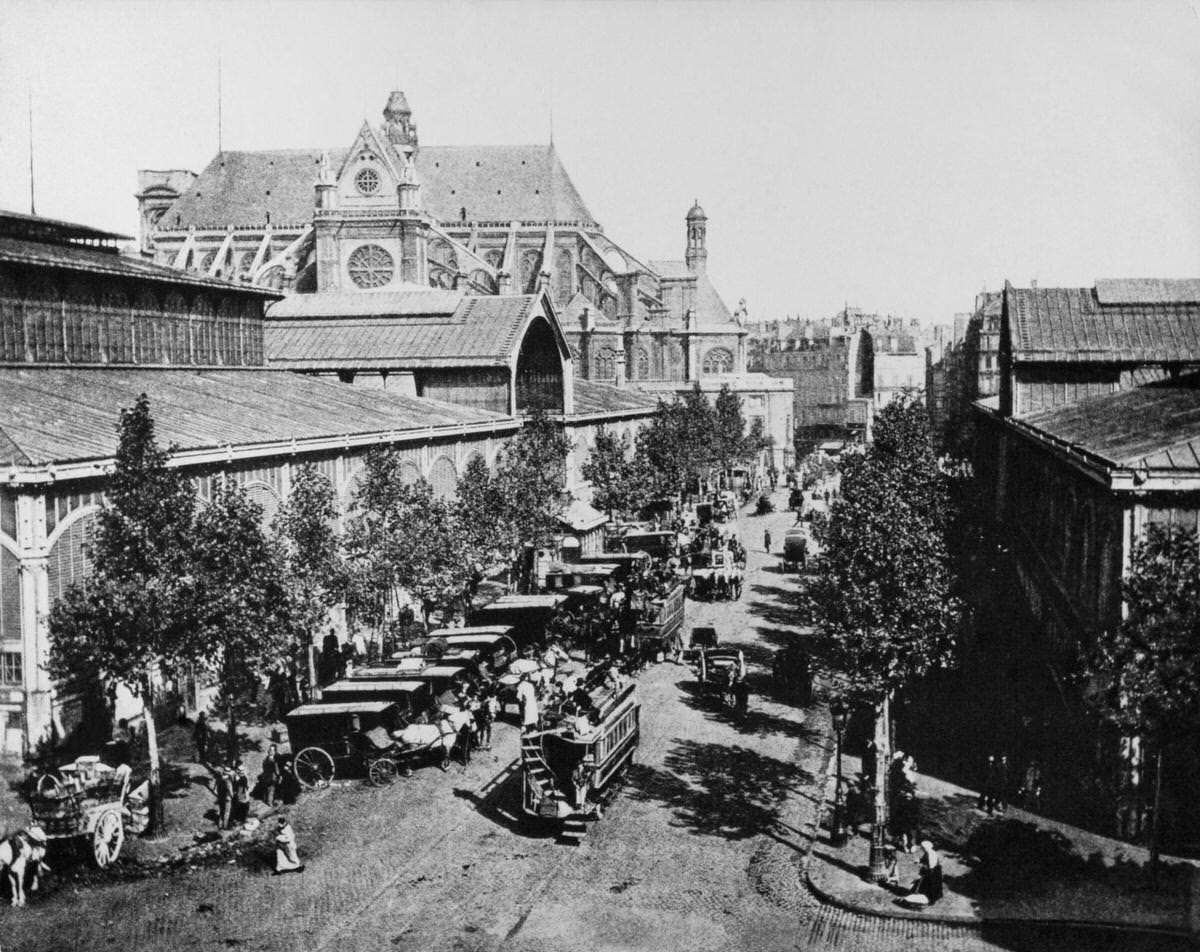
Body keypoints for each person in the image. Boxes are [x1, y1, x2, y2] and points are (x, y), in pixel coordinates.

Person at [911, 840, 943, 905]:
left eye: (923, 847)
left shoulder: (932, 854)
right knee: (925, 885)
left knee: (932, 886)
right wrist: (919, 860)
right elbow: (924, 859)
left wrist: (923, 867)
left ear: (926, 847)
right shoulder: (927, 852)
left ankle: (932, 899)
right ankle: (924, 895)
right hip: (929, 871)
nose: (922, 849)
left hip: (933, 872)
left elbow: (931, 866)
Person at [231, 760, 250, 827]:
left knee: (244, 806)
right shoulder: (236, 776)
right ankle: (238, 820)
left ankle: (242, 819)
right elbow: (237, 787)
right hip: (240, 793)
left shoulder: (241, 776)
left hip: (242, 791)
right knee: (241, 806)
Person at [213, 763, 232, 830]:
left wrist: (218, 795)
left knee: (221, 811)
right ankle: (225, 826)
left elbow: (214, 790)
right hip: (227, 798)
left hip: (220, 798)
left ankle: (220, 825)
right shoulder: (228, 781)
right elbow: (230, 791)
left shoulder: (218, 779)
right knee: (226, 812)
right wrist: (232, 797)